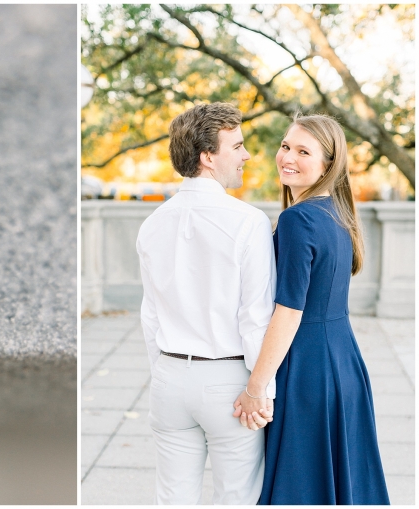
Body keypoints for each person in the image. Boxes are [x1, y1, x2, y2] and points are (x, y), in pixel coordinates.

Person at [233, 114, 390, 504]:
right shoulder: (337, 214)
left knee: (301, 486)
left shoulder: (297, 219)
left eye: (304, 151)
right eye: (286, 146)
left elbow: (289, 311)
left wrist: (255, 389)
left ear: (327, 164)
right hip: (344, 361)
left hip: (307, 370)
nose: (287, 156)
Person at [136, 102, 276, 505]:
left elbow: (150, 316)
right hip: (229, 382)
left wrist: (163, 374)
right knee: (237, 498)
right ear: (208, 156)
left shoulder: (152, 224)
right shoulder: (247, 221)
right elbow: (256, 318)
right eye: (238, 145)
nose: (246, 155)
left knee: (173, 499)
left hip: (169, 376)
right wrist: (261, 390)